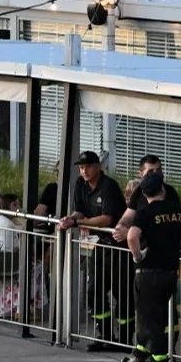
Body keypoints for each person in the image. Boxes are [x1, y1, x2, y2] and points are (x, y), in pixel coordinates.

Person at [124, 169, 181, 362]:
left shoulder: (144, 212)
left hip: (148, 273)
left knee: (151, 324)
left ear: (144, 193)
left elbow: (131, 236)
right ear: (163, 189)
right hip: (169, 274)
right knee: (153, 320)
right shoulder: (176, 210)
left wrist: (137, 256)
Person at [57, 150, 130, 350]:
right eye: (81, 167)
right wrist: (70, 218)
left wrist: (78, 222)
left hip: (120, 245)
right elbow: (79, 210)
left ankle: (124, 339)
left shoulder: (109, 187)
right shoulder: (80, 184)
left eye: (88, 166)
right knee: (93, 290)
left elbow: (106, 219)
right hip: (102, 243)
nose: (85, 171)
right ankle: (105, 334)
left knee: (122, 293)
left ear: (98, 166)